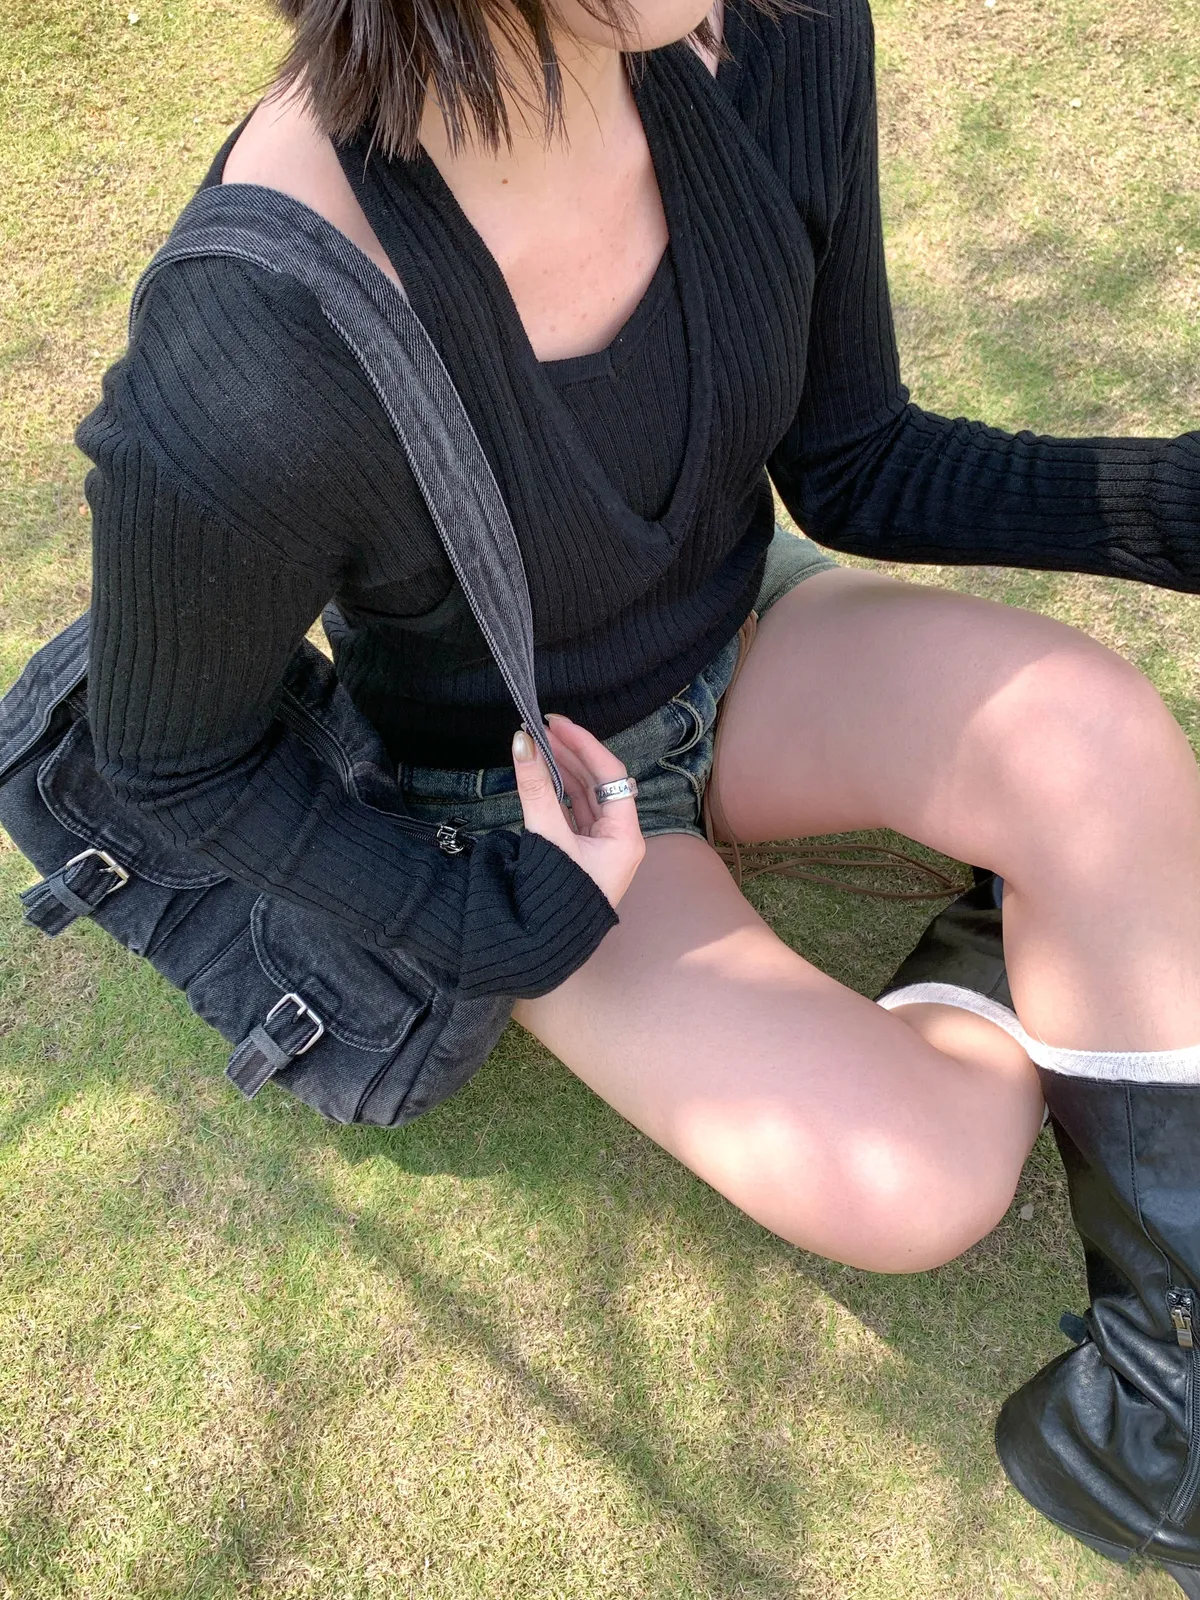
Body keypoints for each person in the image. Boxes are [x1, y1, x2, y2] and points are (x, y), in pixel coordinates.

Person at [37, 0, 1200, 1585]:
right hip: (534, 805)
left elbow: (858, 461)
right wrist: (495, 921)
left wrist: (1172, 504)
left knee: (1093, 735)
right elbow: (176, 761)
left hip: (748, 636)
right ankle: (1035, 936)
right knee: (917, 1182)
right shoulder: (249, 352)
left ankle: (1160, 1403)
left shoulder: (778, 35)